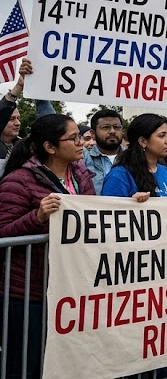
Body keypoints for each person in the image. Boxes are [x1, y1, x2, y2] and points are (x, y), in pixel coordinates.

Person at [0, 114, 96, 378]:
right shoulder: (19, 180)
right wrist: (37, 217)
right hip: (28, 293)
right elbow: (3, 233)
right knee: (26, 363)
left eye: (80, 136)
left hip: (70, 289)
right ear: (50, 147)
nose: (81, 142)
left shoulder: (81, 175)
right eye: (73, 137)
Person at [102, 114, 167, 200]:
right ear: (143, 141)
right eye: (162, 135)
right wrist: (131, 203)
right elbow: (109, 209)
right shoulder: (119, 176)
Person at [84, 108, 126, 193]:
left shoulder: (134, 159)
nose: (112, 131)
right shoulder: (82, 160)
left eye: (117, 127)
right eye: (106, 127)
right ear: (93, 134)